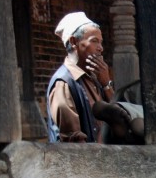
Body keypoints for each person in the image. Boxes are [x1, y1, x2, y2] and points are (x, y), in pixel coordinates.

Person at [46, 12, 143, 144]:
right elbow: (73, 141)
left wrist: (106, 84)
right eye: (94, 41)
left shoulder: (95, 78)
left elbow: (118, 112)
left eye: (101, 42)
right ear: (74, 42)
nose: (100, 48)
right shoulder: (63, 83)